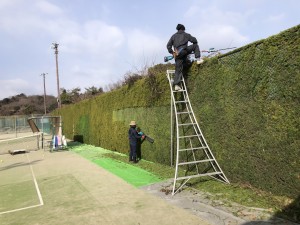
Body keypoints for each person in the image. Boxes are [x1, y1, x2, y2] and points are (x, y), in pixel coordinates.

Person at [167, 24, 203, 91]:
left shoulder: (173, 36)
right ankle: (198, 59)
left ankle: (177, 85)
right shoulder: (186, 34)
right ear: (183, 29)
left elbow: (168, 46)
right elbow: (194, 40)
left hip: (177, 54)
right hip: (184, 51)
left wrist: (172, 52)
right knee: (195, 46)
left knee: (178, 68)